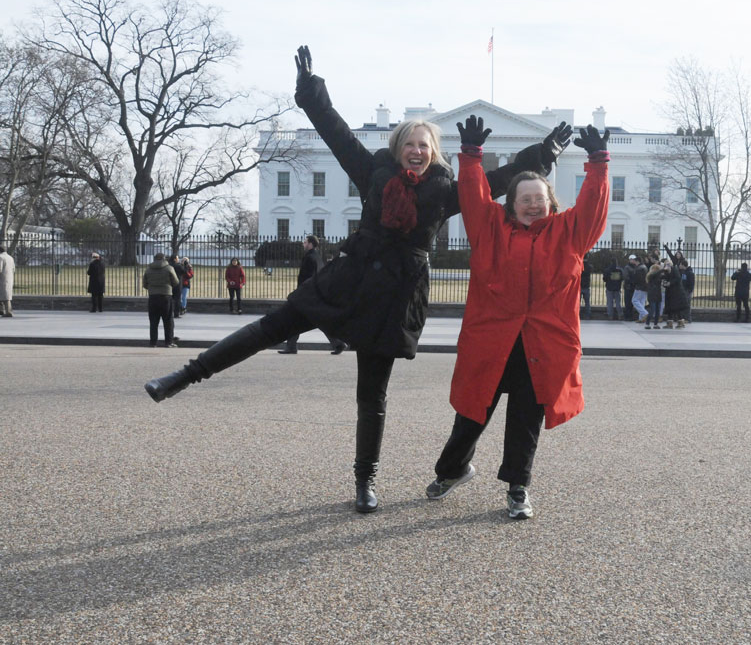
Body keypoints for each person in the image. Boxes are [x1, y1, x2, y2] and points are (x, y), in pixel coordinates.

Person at [144, 45, 571, 514]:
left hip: (394, 298)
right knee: (271, 326)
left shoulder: (445, 192)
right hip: (347, 278)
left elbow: (501, 179)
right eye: (409, 142)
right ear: (398, 147)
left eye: (424, 146)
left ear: (433, 155)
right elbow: (336, 133)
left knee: (372, 394)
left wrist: (544, 153)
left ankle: (365, 482)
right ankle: (184, 376)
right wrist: (311, 93)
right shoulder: (372, 171)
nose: (416, 150)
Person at [425, 120, 610, 520]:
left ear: (550, 202)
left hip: (541, 343)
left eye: (538, 198)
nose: (531, 205)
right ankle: (453, 469)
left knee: (525, 419)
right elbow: (473, 198)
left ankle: (518, 487)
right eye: (523, 198)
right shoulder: (489, 227)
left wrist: (598, 163)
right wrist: (471, 156)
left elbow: (594, 207)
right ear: (510, 204)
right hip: (492, 339)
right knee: (473, 412)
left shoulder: (569, 233)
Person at [279, 235, 328, 354]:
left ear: (310, 244)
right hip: (313, 293)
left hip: (306, 294)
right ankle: (338, 343)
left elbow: (308, 278)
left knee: (294, 319)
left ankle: (291, 346)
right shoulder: (317, 257)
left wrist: (301, 292)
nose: (303, 244)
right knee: (318, 320)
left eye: (305, 242)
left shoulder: (309, 258)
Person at [142, 253, 179, 347]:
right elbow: (176, 281)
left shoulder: (148, 269)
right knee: (168, 320)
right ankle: (168, 342)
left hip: (153, 297)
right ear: (164, 259)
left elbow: (145, 284)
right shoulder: (169, 268)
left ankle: (153, 343)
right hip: (166, 296)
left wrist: (152, 287)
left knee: (153, 321)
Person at [661, 261, 688, 329]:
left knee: (677, 308)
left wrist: (670, 283)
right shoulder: (666, 272)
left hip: (676, 293)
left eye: (668, 265)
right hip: (669, 293)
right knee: (670, 308)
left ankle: (681, 322)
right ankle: (669, 323)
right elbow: (664, 278)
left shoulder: (675, 270)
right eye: (666, 265)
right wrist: (665, 283)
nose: (667, 266)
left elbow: (678, 279)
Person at [628, 254, 648, 323]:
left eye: (635, 261)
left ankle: (645, 313)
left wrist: (633, 283)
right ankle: (642, 318)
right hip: (645, 287)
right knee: (642, 302)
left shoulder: (638, 268)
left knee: (634, 300)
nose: (635, 263)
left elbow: (637, 279)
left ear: (637, 261)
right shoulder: (644, 267)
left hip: (639, 287)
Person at [644, 262, 664, 329]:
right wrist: (662, 269)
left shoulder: (659, 276)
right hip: (652, 295)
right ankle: (647, 323)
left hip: (658, 294)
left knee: (658, 310)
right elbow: (655, 274)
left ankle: (655, 323)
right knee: (652, 310)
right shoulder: (650, 276)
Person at [0, 246, 14, 318]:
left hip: (2, 278)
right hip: (9, 278)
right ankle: (1, 310)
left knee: (5, 296)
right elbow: (13, 269)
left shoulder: (1, 257)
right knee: (6, 294)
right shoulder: (10, 257)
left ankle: (8, 312)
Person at [622, 254, 637, 321]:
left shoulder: (635, 267)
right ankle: (627, 316)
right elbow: (626, 277)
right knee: (628, 302)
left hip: (633, 287)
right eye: (632, 259)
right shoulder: (627, 267)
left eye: (634, 259)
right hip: (628, 287)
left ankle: (630, 316)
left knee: (632, 303)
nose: (633, 261)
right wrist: (632, 281)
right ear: (629, 260)